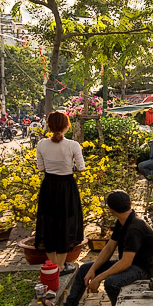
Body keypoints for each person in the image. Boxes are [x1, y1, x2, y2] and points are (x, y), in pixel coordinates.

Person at [41, 190, 153, 306]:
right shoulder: (122, 222)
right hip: (131, 264)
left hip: (143, 269)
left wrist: (99, 278)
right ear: (130, 204)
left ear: (110, 210)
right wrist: (93, 269)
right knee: (85, 269)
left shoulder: (134, 228)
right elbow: (109, 248)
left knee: (111, 282)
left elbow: (125, 263)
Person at [35, 111, 85, 275]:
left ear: (48, 126)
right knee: (66, 222)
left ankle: (52, 265)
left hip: (49, 186)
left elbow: (41, 168)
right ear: (66, 126)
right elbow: (81, 167)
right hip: (66, 188)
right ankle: (61, 266)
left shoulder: (41, 144)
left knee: (49, 222)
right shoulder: (73, 145)